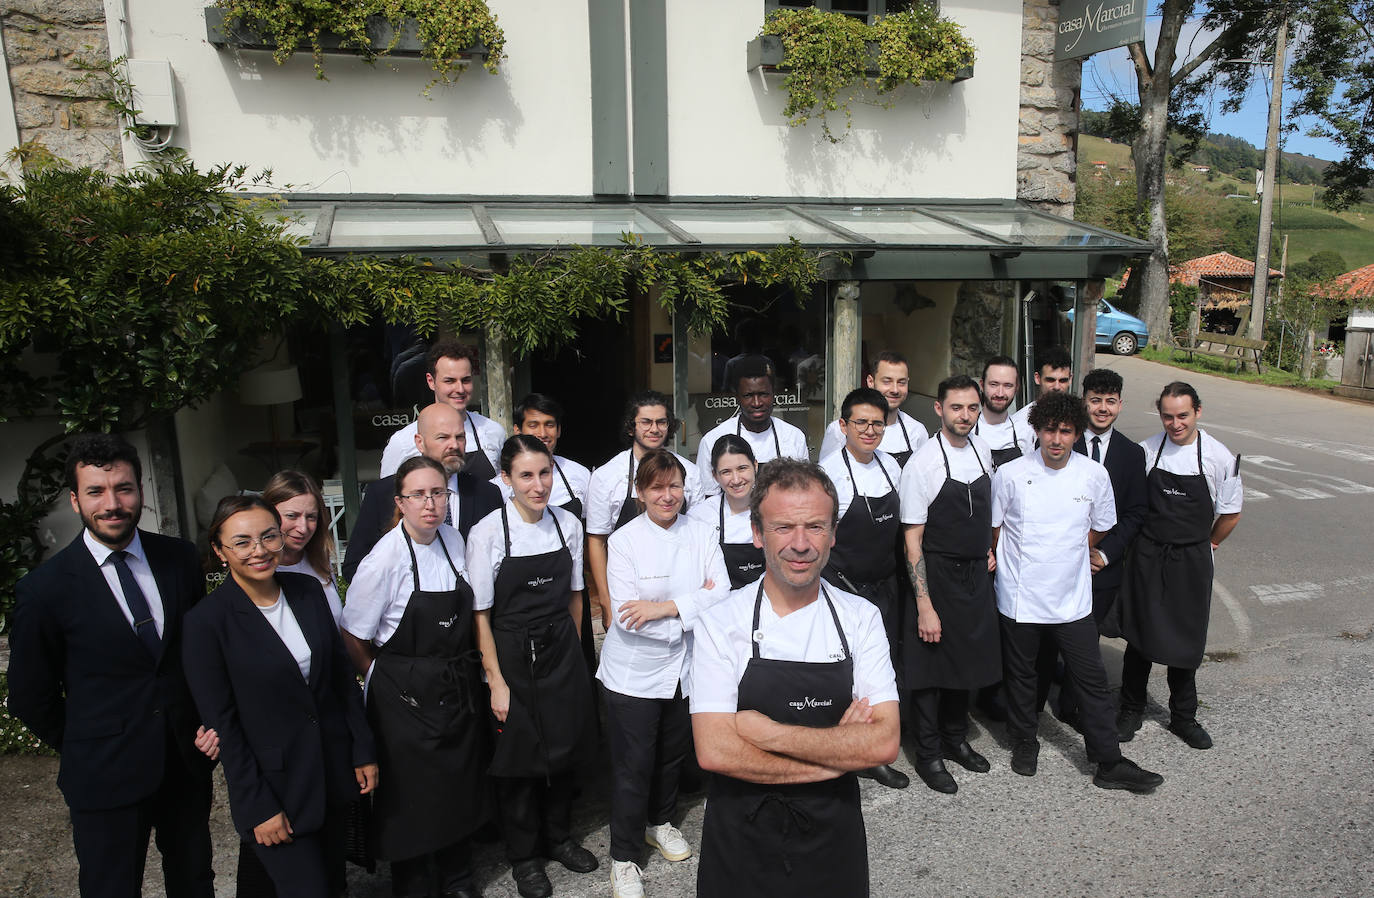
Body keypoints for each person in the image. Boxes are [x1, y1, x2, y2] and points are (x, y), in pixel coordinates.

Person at [7, 433, 217, 898]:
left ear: (139, 491)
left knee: (196, 882)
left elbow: (196, 654)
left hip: (184, 765)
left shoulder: (179, 558)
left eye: (123, 488)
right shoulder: (45, 591)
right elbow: (28, 695)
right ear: (75, 499)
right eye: (96, 491)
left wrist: (206, 721)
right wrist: (90, 740)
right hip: (103, 774)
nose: (112, 503)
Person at [690, 459, 901, 898]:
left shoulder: (861, 618)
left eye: (816, 527)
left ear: (833, 534)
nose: (801, 544)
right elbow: (713, 750)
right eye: (783, 527)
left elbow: (882, 744)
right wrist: (838, 756)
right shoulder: (720, 623)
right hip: (740, 835)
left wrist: (763, 733)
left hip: (831, 835)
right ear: (757, 533)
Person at [183, 496, 377, 898]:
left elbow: (341, 681)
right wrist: (256, 806)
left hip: (331, 774)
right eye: (242, 542)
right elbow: (225, 725)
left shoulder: (306, 590)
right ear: (220, 551)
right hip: (275, 791)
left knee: (332, 883)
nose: (259, 550)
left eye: (268, 536)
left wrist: (362, 751)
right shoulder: (206, 623)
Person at [991, 393, 1163, 792]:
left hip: (1072, 599)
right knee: (1023, 677)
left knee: (1091, 679)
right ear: (1037, 430)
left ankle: (1108, 761)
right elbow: (997, 530)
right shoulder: (1011, 474)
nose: (1056, 439)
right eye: (1049, 429)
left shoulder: (1093, 475)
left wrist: (1068, 550)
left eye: (1065, 431)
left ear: (1076, 433)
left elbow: (1101, 525)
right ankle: (1024, 741)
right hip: (1020, 596)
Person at [341, 456, 490, 898]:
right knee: (411, 795)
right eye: (419, 495)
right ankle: (414, 883)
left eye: (438, 493)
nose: (430, 504)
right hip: (402, 692)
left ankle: (458, 877)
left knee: (457, 782)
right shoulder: (383, 559)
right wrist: (384, 677)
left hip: (453, 678)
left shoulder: (454, 540)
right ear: (400, 502)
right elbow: (353, 635)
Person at [469, 437, 599, 898]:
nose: (538, 485)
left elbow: (575, 596)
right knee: (519, 760)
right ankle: (524, 858)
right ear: (506, 480)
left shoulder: (567, 523)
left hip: (560, 646)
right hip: (510, 652)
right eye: (526, 475)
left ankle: (559, 838)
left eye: (544, 473)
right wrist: (495, 682)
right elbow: (480, 615)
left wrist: (574, 657)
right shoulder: (487, 532)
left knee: (563, 749)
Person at [598, 449, 729, 898]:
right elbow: (626, 617)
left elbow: (723, 590)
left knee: (671, 755)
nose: (667, 495)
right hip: (634, 673)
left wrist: (665, 607)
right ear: (640, 493)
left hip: (684, 670)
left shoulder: (702, 531)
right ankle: (624, 859)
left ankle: (661, 822)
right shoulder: (624, 542)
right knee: (633, 766)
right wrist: (693, 604)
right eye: (656, 487)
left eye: (674, 486)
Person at [1117, 382, 1243, 751]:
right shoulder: (1146, 451)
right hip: (1147, 554)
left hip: (1191, 559)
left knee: (1186, 641)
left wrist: (1210, 542)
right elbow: (1132, 505)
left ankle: (1184, 716)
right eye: (1168, 416)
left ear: (1197, 412)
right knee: (1140, 637)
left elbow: (1231, 514)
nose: (1175, 424)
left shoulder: (1218, 457)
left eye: (1182, 415)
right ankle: (1130, 708)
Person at [899, 375, 1000, 794]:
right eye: (956, 408)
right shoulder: (922, 464)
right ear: (939, 409)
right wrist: (924, 604)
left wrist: (987, 549)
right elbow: (912, 540)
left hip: (975, 573)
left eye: (972, 408)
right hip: (936, 575)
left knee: (967, 661)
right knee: (930, 669)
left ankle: (956, 739)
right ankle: (928, 753)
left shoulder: (983, 449)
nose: (965, 416)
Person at [817, 387, 909, 790]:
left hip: (885, 585)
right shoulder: (827, 474)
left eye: (878, 423)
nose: (870, 430)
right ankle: (834, 750)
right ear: (843, 425)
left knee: (876, 673)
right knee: (838, 673)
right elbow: (818, 536)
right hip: (840, 586)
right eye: (861, 423)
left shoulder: (893, 467)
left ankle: (871, 753)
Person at [1048, 368, 1147, 729]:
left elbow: (1136, 513)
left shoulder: (1132, 454)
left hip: (1101, 567)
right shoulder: (1060, 442)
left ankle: (1074, 707)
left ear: (1119, 405)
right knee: (1047, 639)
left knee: (1086, 640)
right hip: (1057, 563)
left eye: (1109, 402)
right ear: (1083, 400)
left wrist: (1105, 554)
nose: (1102, 408)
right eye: (1095, 400)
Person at [585, 391, 704, 632]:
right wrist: (606, 602)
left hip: (680, 592)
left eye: (661, 422)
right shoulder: (606, 477)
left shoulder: (691, 473)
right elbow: (596, 542)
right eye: (646, 422)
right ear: (631, 427)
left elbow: (699, 535)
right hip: (628, 592)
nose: (654, 429)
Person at [343, 402, 502, 581]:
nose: (454, 445)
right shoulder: (383, 493)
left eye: (460, 437)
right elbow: (354, 567)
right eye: (443, 437)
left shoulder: (487, 494)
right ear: (420, 442)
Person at [505, 392, 596, 673]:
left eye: (550, 424)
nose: (543, 433)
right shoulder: (498, 484)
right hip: (521, 597)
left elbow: (591, 534)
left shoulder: (580, 474)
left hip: (569, 592)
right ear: (518, 430)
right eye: (534, 425)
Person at [379, 340, 506, 483]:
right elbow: (387, 498)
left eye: (465, 380)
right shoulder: (402, 443)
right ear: (431, 381)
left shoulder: (493, 432)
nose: (460, 389)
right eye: (450, 381)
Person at [695, 355, 808, 495]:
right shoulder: (712, 440)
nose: (757, 403)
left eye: (763, 394)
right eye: (748, 395)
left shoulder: (793, 437)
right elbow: (708, 496)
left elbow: (803, 490)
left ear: (774, 394)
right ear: (737, 397)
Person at [819, 351, 929, 466]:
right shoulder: (840, 430)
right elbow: (825, 475)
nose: (895, 390)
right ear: (870, 382)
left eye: (901, 382)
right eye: (887, 381)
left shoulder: (917, 432)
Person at [263, 470, 342, 624]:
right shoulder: (260, 572)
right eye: (292, 516)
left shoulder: (318, 559)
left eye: (311, 517)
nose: (303, 528)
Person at [687, 435, 764, 590]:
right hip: (720, 606)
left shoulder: (776, 509)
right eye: (726, 472)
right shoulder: (700, 517)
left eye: (742, 468)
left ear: (755, 466)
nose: (736, 480)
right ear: (715, 476)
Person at [1007, 346, 1074, 458]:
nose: (1057, 387)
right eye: (1050, 380)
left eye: (1063, 380)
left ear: (1070, 379)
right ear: (1037, 378)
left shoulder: (1079, 421)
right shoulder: (1018, 425)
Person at [974, 355, 1024, 469]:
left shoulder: (1025, 432)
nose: (1000, 393)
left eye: (1008, 386)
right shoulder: (966, 431)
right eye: (994, 384)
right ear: (982, 385)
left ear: (1016, 388)